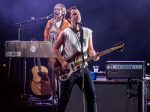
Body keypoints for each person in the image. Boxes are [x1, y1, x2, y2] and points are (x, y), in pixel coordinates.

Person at [53, 6, 99, 112]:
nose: (77, 15)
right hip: (69, 70)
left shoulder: (87, 32)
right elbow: (55, 48)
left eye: (79, 14)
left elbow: (90, 49)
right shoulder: (65, 33)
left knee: (91, 97)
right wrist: (63, 62)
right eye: (74, 14)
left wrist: (94, 55)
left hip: (84, 68)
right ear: (69, 18)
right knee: (64, 98)